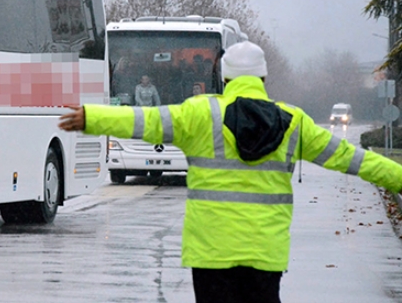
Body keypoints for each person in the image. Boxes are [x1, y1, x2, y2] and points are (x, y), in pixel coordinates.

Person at [58, 41, 402, 303]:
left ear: (223, 77)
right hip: (264, 253)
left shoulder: (199, 114)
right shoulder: (294, 122)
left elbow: (143, 121)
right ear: (263, 78)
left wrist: (91, 116)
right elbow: (352, 158)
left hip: (211, 252)